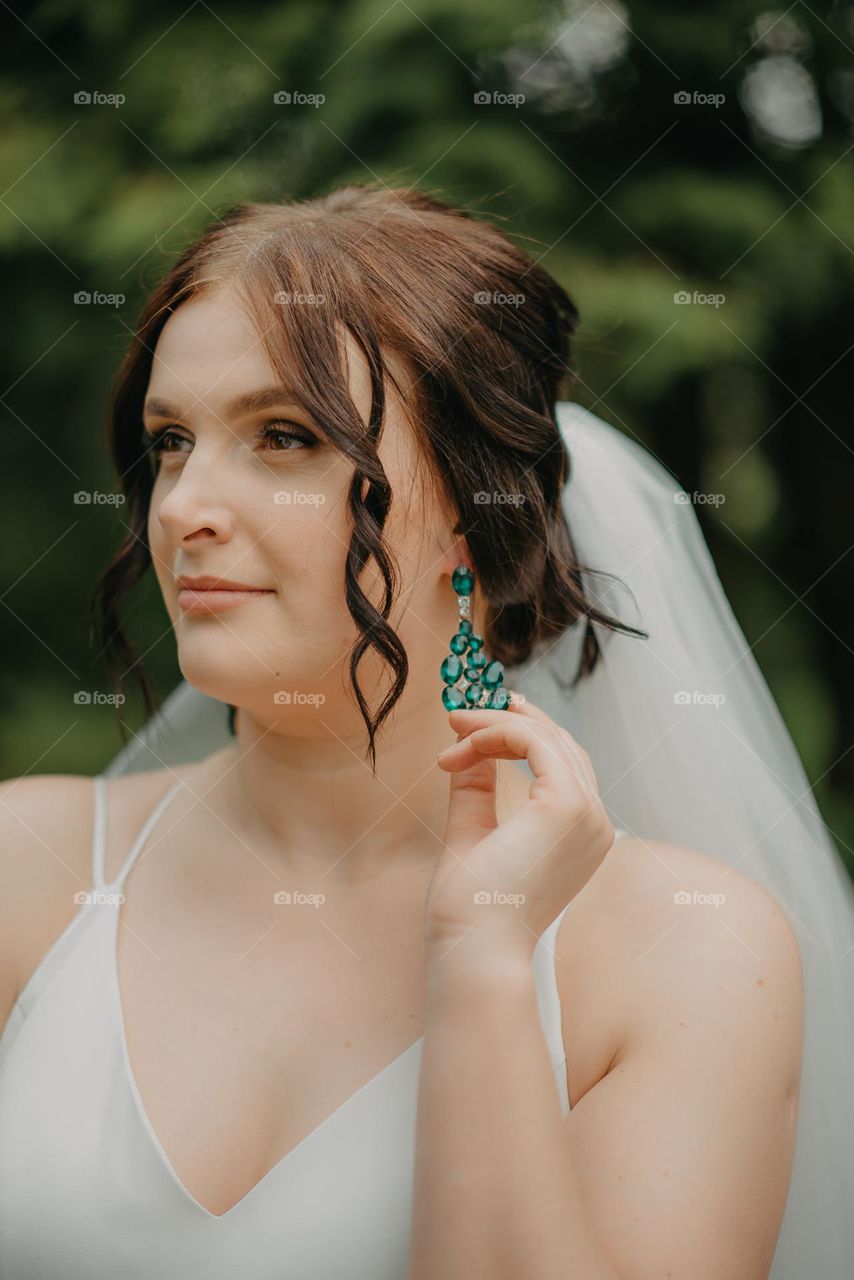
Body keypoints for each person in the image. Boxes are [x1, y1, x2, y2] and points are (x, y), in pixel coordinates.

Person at [0, 184, 848, 1279]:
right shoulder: (29, 867)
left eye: (284, 436)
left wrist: (485, 963)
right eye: (172, 440)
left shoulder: (685, 951)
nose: (180, 506)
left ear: (471, 503)